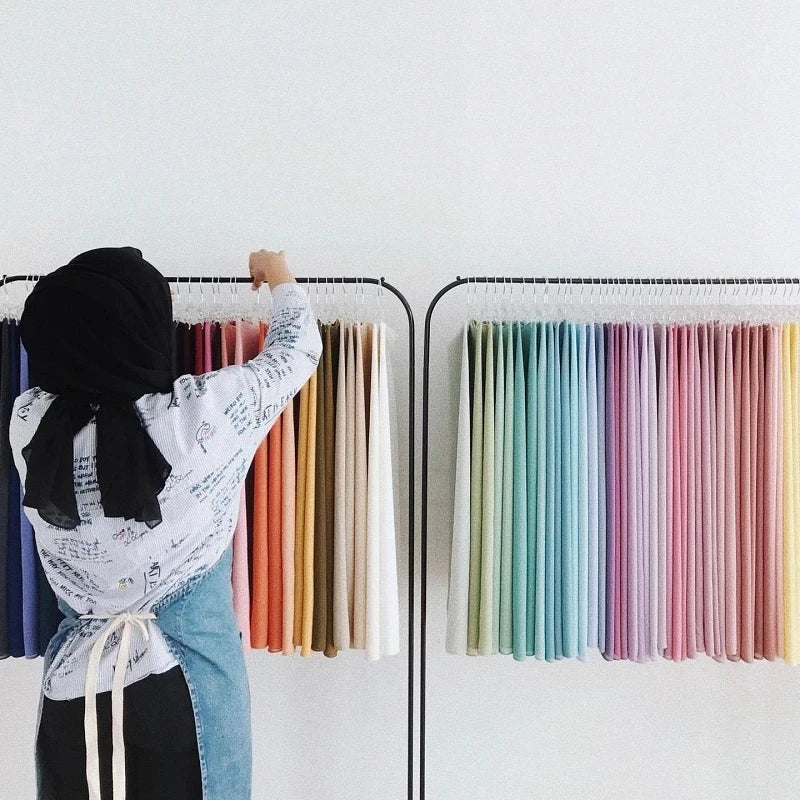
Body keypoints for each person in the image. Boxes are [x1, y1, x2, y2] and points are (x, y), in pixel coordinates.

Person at [9, 247, 323, 800]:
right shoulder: (194, 418)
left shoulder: (29, 425)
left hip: (73, 696)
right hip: (185, 694)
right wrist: (276, 272)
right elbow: (298, 348)